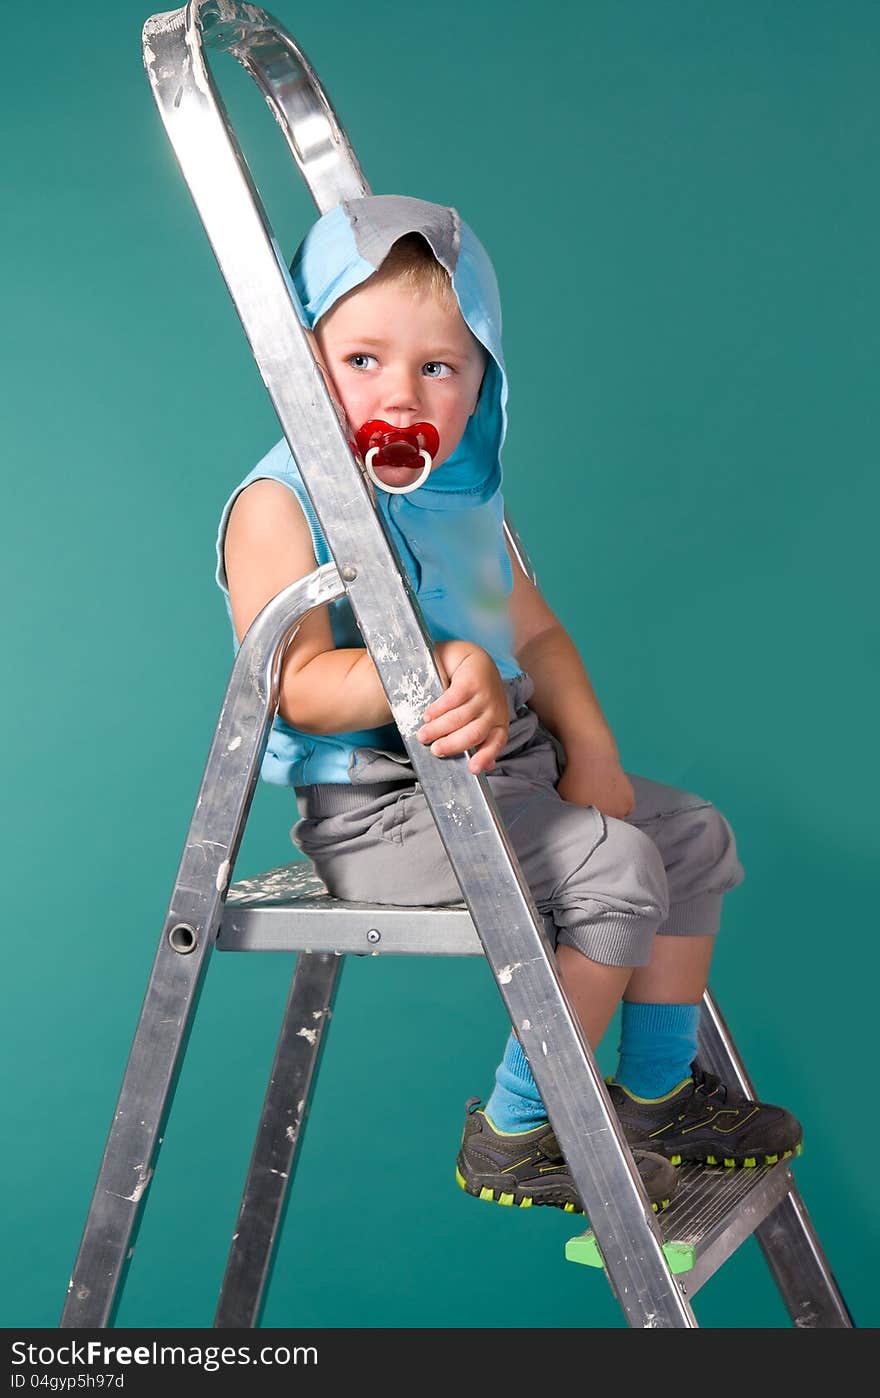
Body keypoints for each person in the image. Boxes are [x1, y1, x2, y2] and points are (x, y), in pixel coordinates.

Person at [217, 194, 802, 1217]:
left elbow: (531, 634)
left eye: (438, 366)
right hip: (382, 812)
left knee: (691, 835)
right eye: (362, 361)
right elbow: (300, 687)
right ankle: (520, 1128)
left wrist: (594, 747)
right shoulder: (280, 505)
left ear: (482, 377)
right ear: (304, 361)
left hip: (509, 776)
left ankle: (660, 1097)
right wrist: (435, 666)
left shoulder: (452, 498)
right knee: (616, 869)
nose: (401, 390)